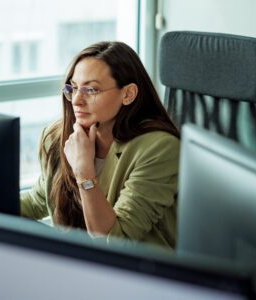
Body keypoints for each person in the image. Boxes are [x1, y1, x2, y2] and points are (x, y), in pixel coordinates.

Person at [20, 41, 180, 249]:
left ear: (128, 94)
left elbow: (115, 241)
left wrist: (84, 172)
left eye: (91, 90)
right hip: (77, 264)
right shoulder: (58, 137)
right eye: (74, 88)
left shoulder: (159, 148)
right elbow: (38, 200)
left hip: (138, 272)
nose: (76, 100)